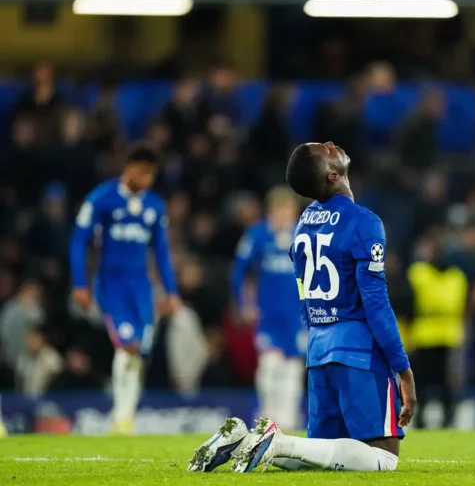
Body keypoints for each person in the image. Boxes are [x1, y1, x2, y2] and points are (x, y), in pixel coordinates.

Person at [189, 142, 416, 473]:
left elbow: (302, 290)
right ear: (333, 174)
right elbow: (376, 303)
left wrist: (316, 335)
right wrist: (403, 369)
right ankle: (277, 440)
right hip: (358, 350)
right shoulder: (365, 223)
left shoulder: (304, 221)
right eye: (325, 150)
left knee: (320, 457)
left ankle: (241, 440)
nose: (330, 144)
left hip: (319, 348)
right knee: (383, 459)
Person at [69, 148, 179, 434]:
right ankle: (121, 415)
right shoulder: (101, 199)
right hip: (112, 285)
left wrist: (171, 290)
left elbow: (162, 251)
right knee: (127, 344)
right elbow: (79, 241)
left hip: (141, 287)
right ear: (128, 168)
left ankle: (126, 415)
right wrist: (81, 283)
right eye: (143, 172)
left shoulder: (154, 206)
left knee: (140, 352)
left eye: (151, 174)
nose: (147, 179)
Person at [230, 186, 304, 430]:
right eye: (279, 210)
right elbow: (238, 271)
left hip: (297, 316)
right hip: (268, 314)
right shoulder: (258, 235)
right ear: (270, 212)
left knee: (293, 369)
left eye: (288, 211)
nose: (284, 216)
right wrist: (245, 303)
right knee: (270, 365)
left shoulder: (305, 237)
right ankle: (267, 419)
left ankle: (289, 420)